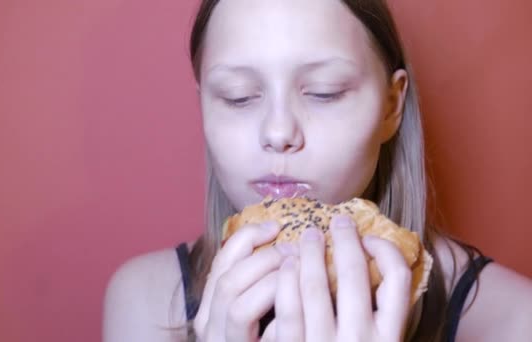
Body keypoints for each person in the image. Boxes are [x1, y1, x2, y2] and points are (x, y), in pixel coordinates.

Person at [102, 0, 532, 341]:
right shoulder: (147, 301)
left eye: (324, 93)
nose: (278, 132)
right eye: (237, 96)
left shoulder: (513, 320)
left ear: (391, 105)